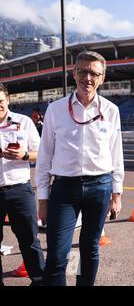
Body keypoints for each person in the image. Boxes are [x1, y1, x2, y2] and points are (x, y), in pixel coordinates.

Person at [35, 51, 124, 286]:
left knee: (89, 248)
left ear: (102, 78)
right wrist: (43, 199)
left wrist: (117, 194)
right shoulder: (55, 109)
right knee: (57, 254)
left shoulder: (111, 110)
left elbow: (116, 155)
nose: (88, 78)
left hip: (100, 186)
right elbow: (44, 157)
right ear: (74, 73)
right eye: (83, 71)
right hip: (65, 188)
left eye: (94, 73)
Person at [0, 83, 45, 286]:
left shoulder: (24, 122)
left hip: (19, 190)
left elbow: (42, 153)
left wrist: (24, 155)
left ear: (8, 100)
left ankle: (40, 282)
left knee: (29, 242)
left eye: (0, 101)